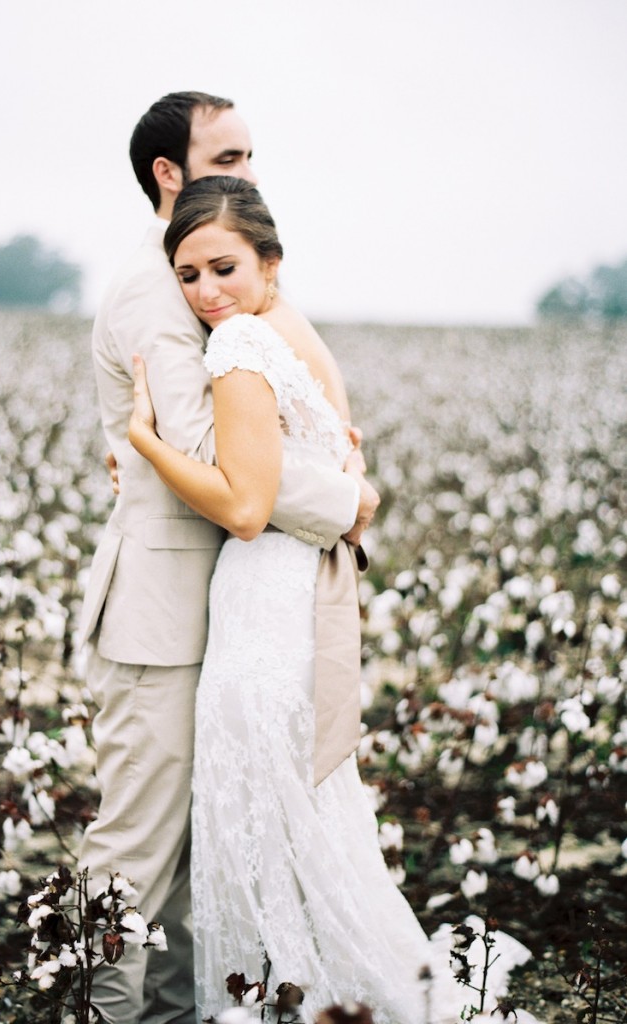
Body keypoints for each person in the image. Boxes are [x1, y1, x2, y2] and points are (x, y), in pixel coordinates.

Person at [127, 177, 541, 1024]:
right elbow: (342, 457)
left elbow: (244, 508)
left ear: (269, 262)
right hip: (294, 599)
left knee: (265, 801)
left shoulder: (238, 348)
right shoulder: (289, 340)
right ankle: (321, 990)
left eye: (224, 267)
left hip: (263, 603)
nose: (207, 293)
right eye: (188, 276)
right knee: (300, 807)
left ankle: (293, 997)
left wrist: (145, 442)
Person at [75, 92, 379, 1024]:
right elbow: (217, 459)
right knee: (138, 856)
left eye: (251, 157)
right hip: (161, 615)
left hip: (227, 607)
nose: (249, 174)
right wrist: (349, 498)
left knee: (201, 855)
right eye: (230, 159)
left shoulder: (205, 278)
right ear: (171, 174)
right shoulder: (153, 290)